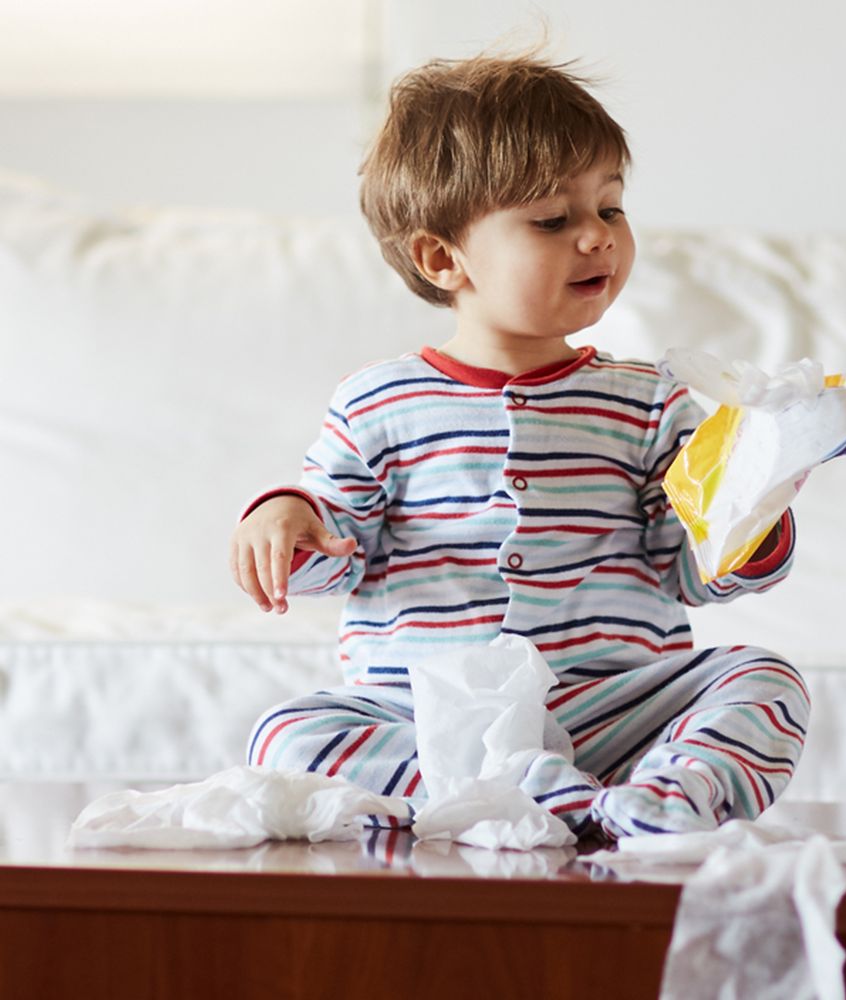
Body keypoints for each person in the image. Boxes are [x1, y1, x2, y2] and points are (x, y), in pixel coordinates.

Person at [230, 53, 809, 839]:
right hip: (430, 712)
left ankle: (672, 799)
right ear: (443, 258)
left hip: (611, 707)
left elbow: (691, 574)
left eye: (611, 209)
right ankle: (554, 801)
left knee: (763, 680)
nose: (596, 239)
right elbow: (339, 545)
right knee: (288, 732)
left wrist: (750, 513)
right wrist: (287, 520)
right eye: (552, 220)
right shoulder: (378, 403)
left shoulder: (648, 400)